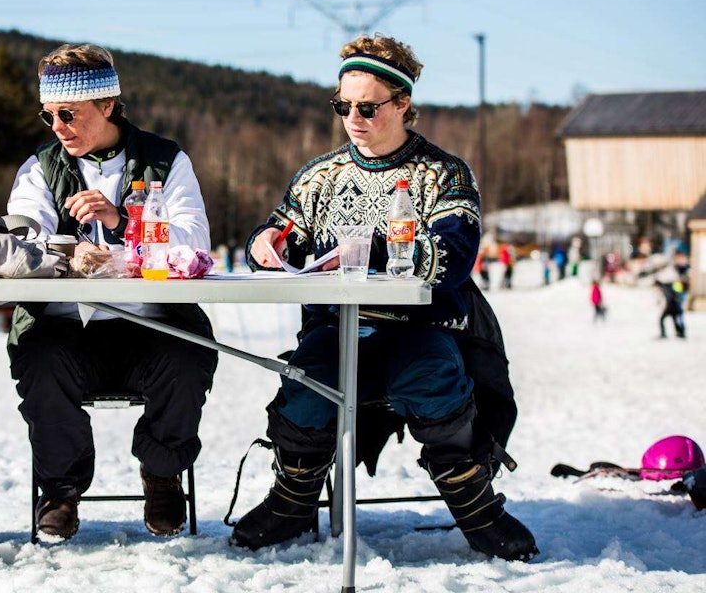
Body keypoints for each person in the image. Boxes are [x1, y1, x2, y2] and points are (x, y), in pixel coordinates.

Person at [230, 34, 537, 562]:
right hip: (336, 327)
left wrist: (375, 248)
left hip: (421, 326)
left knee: (429, 374)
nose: (353, 118)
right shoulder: (319, 176)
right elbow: (283, 234)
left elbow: (454, 254)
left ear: (402, 104)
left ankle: (476, 507)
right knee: (306, 381)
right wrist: (266, 242)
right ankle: (292, 500)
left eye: (367, 107)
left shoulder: (443, 174)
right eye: (342, 106)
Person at [6, 43, 218, 541]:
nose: (57, 127)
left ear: (107, 105)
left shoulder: (165, 159)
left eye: (68, 113)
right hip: (64, 324)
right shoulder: (40, 167)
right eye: (48, 115)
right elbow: (21, 234)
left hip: (152, 322)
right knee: (40, 363)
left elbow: (195, 241)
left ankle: (162, 475)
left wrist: (124, 222)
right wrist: (65, 253)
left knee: (187, 360)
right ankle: (60, 490)